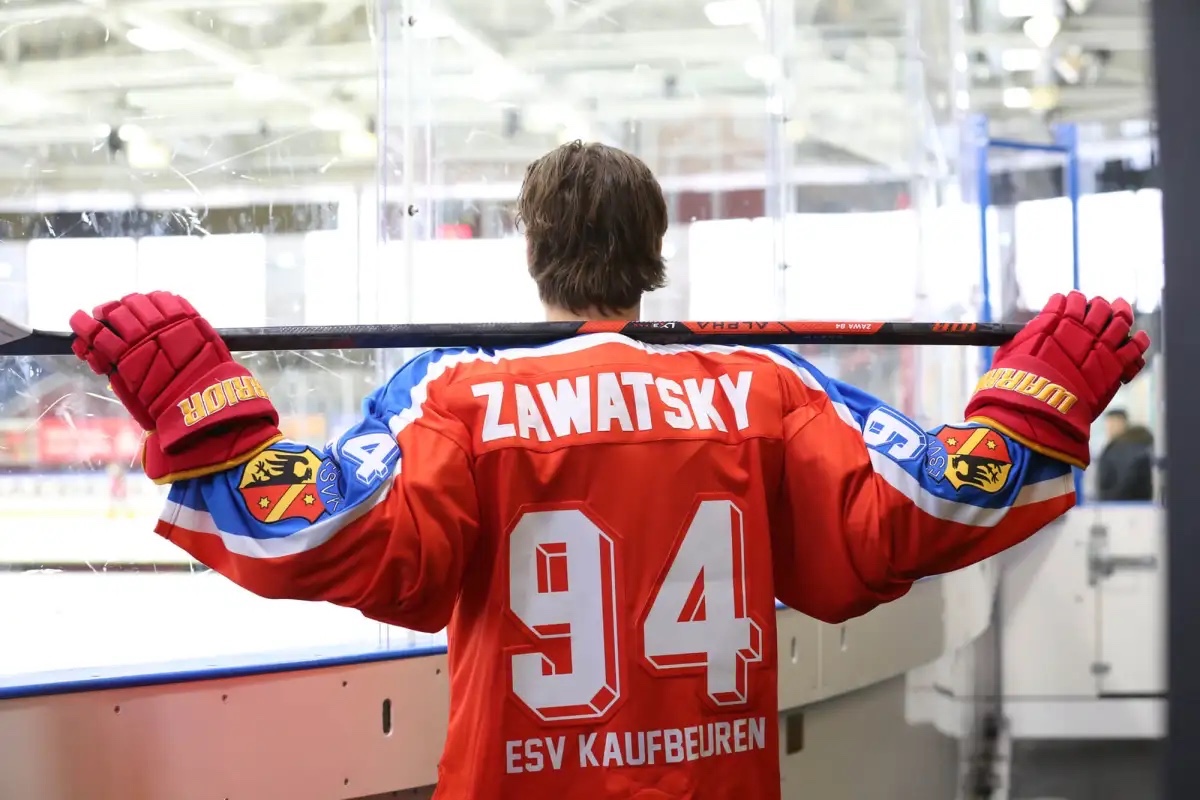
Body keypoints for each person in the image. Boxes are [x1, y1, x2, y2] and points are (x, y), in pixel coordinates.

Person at [68, 141, 1149, 800]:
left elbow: (326, 531)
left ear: (532, 251)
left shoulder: (458, 395)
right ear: (655, 250)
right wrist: (1034, 395)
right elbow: (916, 510)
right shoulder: (763, 388)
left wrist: (204, 404)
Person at [1097, 409, 1156, 501]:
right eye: (1108, 424)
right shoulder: (1138, 445)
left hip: (1120, 503)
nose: (1109, 428)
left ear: (1123, 423)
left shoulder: (1121, 449)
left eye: (1113, 423)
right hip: (1140, 503)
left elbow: (1122, 482)